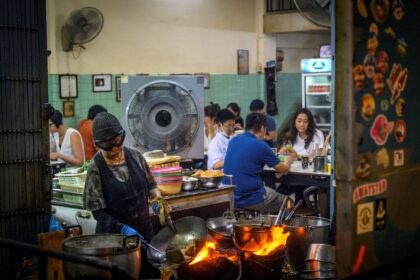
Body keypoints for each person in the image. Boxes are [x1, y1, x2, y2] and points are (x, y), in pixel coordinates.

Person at [84, 112, 161, 278]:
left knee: (151, 274)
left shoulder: (136, 156)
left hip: (145, 233)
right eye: (108, 146)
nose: (115, 150)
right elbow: (98, 212)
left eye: (118, 143)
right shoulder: (95, 168)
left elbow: (152, 186)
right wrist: (122, 229)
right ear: (97, 145)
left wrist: (158, 201)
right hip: (114, 243)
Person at [223, 112, 296, 213]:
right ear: (262, 128)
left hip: (229, 195)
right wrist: (289, 160)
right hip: (250, 197)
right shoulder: (260, 145)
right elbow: (282, 169)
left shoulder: (233, 140)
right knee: (289, 203)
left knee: (270, 190)